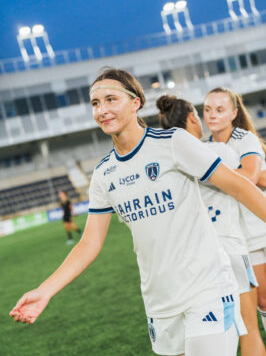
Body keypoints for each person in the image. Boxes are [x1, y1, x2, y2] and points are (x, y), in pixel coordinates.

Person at [10, 69, 266, 356]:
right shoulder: (103, 175)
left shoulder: (174, 143)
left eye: (111, 99)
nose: (102, 110)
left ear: (135, 102)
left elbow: (240, 187)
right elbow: (89, 243)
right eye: (95, 103)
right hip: (160, 303)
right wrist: (46, 290)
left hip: (208, 289)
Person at [156, 94, 266, 356]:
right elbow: (249, 179)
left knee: (204, 338)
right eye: (205, 110)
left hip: (189, 259)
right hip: (231, 247)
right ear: (194, 118)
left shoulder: (164, 161)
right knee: (249, 330)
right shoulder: (219, 152)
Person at [204, 87, 266, 335]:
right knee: (257, 302)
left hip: (259, 226)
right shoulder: (203, 147)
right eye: (207, 109)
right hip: (236, 234)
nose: (212, 115)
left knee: (263, 299)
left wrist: (211, 178)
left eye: (220, 110)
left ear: (233, 113)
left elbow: (250, 176)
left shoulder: (245, 138)